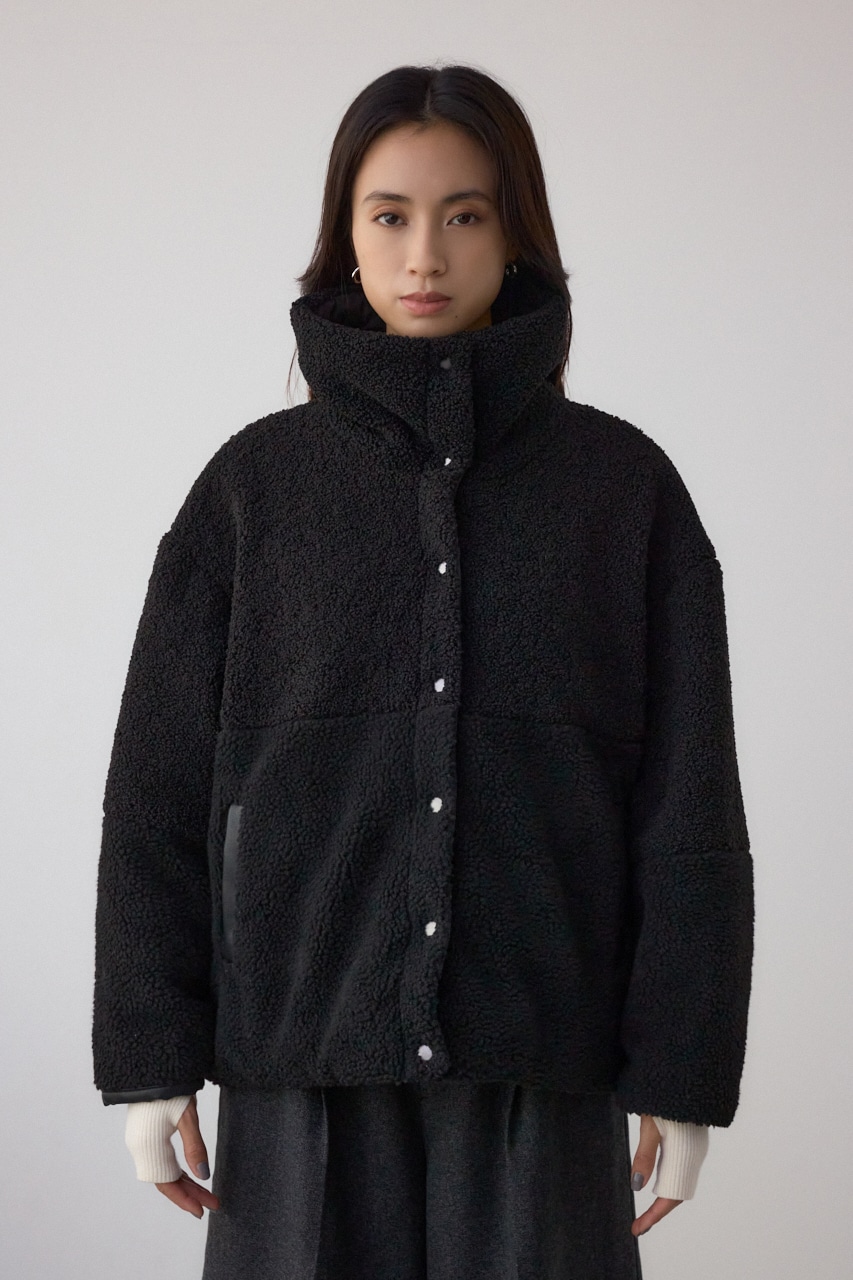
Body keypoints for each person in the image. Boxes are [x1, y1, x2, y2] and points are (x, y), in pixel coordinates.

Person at [92, 62, 754, 1280]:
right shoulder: (252, 491)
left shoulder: (624, 492)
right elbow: (156, 790)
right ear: (344, 235)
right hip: (298, 1059)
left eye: (465, 214)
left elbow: (690, 805)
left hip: (546, 1060)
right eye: (390, 215)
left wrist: (682, 1062)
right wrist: (149, 1054)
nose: (425, 256)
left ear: (516, 233)